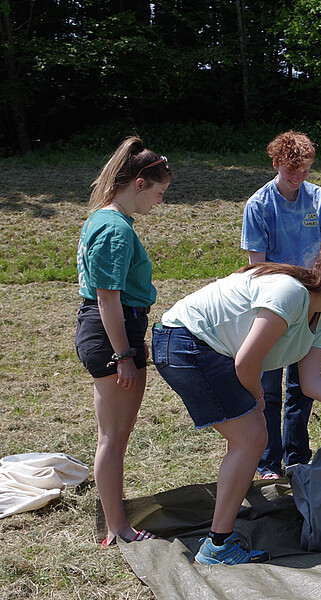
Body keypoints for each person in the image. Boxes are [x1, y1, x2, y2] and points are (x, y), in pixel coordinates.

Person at [151, 241, 321, 565]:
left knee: (250, 438)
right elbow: (246, 362)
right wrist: (256, 398)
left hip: (203, 348)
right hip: (183, 341)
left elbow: (312, 383)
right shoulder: (291, 294)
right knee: (252, 438)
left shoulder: (320, 316)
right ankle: (218, 545)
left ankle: (219, 537)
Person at [75, 137, 171, 545]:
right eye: (160, 193)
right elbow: (107, 298)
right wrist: (124, 355)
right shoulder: (114, 228)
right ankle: (118, 527)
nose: (160, 203)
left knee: (115, 436)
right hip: (113, 331)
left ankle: (116, 519)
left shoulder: (108, 220)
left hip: (116, 328)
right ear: (140, 184)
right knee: (113, 439)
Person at [240, 130, 321, 480]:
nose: (298, 179)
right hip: (275, 306)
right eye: (290, 172)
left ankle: (297, 457)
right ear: (275, 165)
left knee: (303, 385)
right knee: (267, 386)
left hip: (313, 304)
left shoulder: (318, 199)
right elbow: (256, 266)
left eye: (305, 171)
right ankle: (268, 463)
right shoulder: (259, 205)